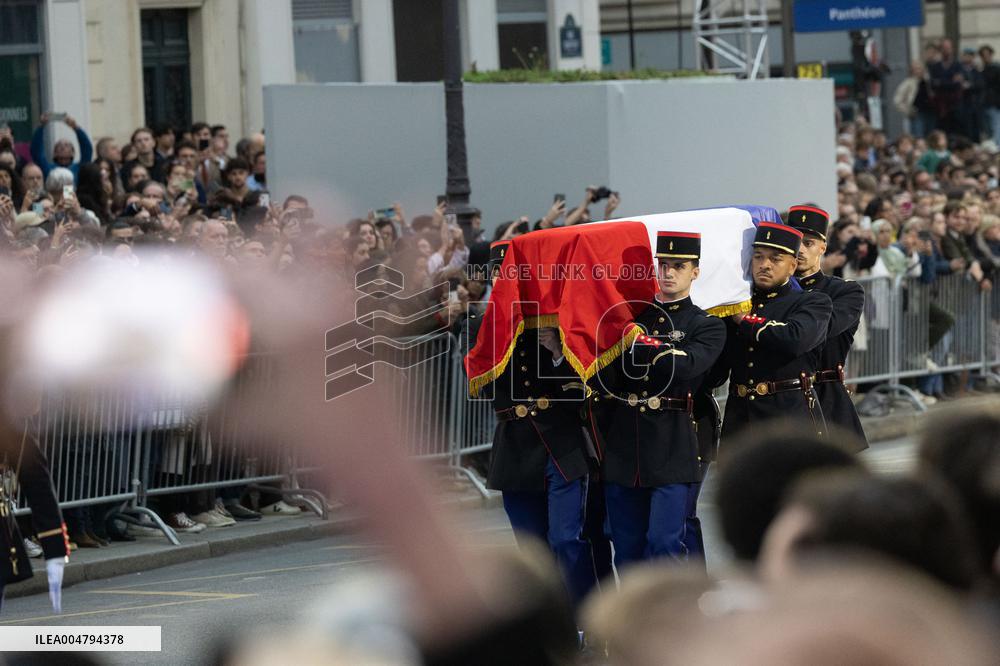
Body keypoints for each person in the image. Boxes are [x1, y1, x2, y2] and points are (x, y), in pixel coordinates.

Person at [596, 231, 725, 569]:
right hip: (626, 443)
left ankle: (674, 602)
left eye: (678, 266)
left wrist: (642, 344)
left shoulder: (705, 324)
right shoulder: (632, 320)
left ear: (695, 272)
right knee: (627, 546)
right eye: (663, 265)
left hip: (672, 443)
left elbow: (688, 366)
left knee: (664, 541)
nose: (668, 272)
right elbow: (604, 378)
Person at [481, 240, 597, 608]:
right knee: (532, 549)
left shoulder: (555, 320)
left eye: (512, 273)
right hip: (515, 447)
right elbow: (482, 386)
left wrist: (559, 354)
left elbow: (582, 389)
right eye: (499, 274)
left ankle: (584, 615)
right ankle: (552, 618)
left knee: (566, 538)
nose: (504, 281)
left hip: (559, 444)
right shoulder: (485, 328)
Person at [712, 222, 833, 438]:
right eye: (758, 257)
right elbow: (718, 369)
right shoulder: (736, 306)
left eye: (775, 259)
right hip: (740, 418)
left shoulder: (813, 302)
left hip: (789, 417)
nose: (764, 265)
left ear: (792, 266)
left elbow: (795, 339)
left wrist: (745, 321)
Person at [789, 205, 868, 450]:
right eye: (795, 242)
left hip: (826, 398)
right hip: (783, 402)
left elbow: (820, 329)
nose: (800, 250)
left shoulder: (845, 291)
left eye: (809, 243)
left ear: (823, 247)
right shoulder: (767, 295)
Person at [28, 113, 93, 181]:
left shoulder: (79, 169)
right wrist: (41, 126)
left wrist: (76, 127)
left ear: (73, 153)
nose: (62, 147)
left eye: (66, 145)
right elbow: (37, 152)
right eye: (59, 146)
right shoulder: (48, 169)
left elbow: (87, 149)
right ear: (54, 153)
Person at [982, 45, 1000, 146]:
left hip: (995, 104)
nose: (986, 57)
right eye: (983, 55)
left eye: (987, 55)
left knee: (995, 128)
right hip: (985, 103)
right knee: (988, 130)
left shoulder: (996, 69)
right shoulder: (982, 70)